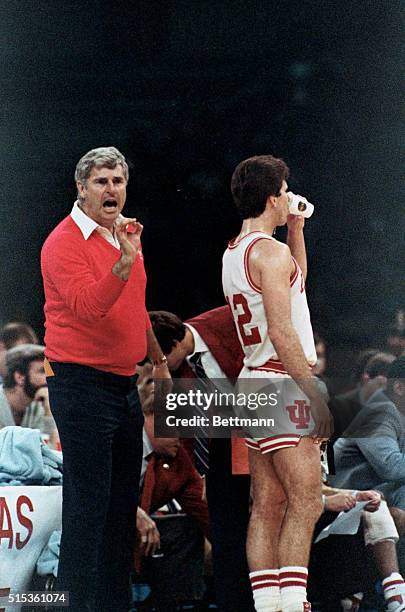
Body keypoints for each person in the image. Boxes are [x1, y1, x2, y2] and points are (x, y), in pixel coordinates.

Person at [40, 146, 170, 612]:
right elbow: (90, 307)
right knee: (88, 509)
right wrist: (123, 261)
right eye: (101, 182)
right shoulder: (61, 243)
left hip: (123, 384)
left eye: (118, 181)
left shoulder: (124, 235)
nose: (111, 189)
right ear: (81, 188)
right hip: (79, 384)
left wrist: (158, 361)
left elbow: (134, 308)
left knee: (120, 513)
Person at [222, 155, 333, 612]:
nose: (290, 197)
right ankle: (293, 602)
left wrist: (297, 231)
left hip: (251, 382)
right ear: (272, 197)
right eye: (285, 190)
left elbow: (294, 287)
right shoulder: (271, 253)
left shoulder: (237, 251)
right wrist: (314, 393)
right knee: (306, 500)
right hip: (280, 379)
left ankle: (269, 605)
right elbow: (284, 330)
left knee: (266, 504)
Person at [150, 307, 254, 612]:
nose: (157, 366)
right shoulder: (177, 372)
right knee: (225, 535)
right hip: (223, 445)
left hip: (263, 428)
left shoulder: (227, 320)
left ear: (174, 343)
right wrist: (204, 476)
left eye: (158, 358)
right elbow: (182, 434)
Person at [0, 344, 56, 441]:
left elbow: (47, 451)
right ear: (19, 377)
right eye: (43, 371)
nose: (49, 378)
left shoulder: (38, 406)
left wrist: (48, 412)